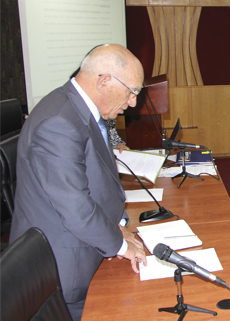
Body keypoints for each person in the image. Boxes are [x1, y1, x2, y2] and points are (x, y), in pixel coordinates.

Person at [9, 44, 148, 320]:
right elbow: (76, 209)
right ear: (105, 80)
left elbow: (99, 182)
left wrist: (119, 228)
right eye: (132, 91)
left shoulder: (81, 110)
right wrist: (121, 246)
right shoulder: (58, 122)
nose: (133, 103)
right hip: (64, 267)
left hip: (87, 245)